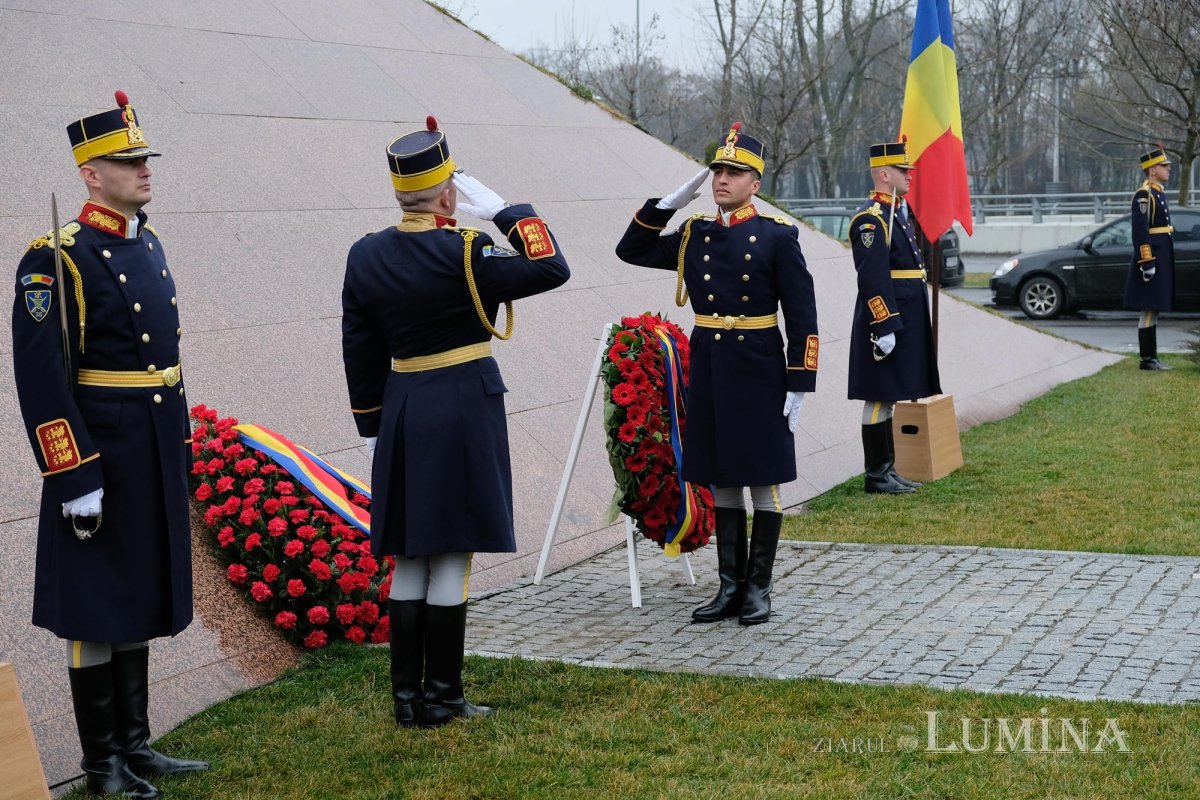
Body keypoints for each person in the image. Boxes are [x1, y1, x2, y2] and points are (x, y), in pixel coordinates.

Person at [342, 117, 570, 728]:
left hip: (403, 407)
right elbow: (552, 268)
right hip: (465, 403)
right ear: (449, 195)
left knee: (412, 553)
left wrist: (371, 425)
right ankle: (442, 696)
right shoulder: (469, 250)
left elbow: (358, 348)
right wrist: (504, 209)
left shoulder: (365, 254)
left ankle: (406, 700)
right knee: (452, 555)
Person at [11, 91, 207, 798]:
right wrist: (74, 477)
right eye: (127, 161)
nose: (143, 169)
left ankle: (135, 746)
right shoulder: (55, 257)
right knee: (96, 607)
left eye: (144, 158)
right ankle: (102, 766)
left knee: (135, 596)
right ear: (91, 174)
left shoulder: (143, 239)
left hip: (149, 444)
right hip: (101, 455)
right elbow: (41, 383)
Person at [614, 122, 818, 626]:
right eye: (717, 171)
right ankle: (730, 587)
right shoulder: (693, 234)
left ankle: (758, 589)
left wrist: (800, 381)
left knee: (763, 480)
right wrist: (669, 203)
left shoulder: (777, 237)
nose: (722, 179)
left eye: (735, 172)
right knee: (722, 479)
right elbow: (631, 250)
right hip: (710, 365)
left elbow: (804, 317)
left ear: (756, 183)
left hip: (761, 366)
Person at [846, 140, 941, 495]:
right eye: (903, 171)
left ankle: (887, 469)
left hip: (904, 314)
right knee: (878, 395)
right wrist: (884, 324)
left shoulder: (896, 212)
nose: (909, 176)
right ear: (885, 174)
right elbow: (872, 277)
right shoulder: (871, 219)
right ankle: (876, 474)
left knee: (889, 396)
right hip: (885, 320)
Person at [1125, 145, 1175, 370]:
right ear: (1152, 169)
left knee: (1154, 307)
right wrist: (1147, 262)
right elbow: (1140, 231)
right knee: (1148, 308)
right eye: (1164, 166)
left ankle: (1152, 357)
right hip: (1152, 257)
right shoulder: (1144, 195)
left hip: (1161, 255)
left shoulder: (1158, 193)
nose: (1168, 169)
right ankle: (1147, 359)